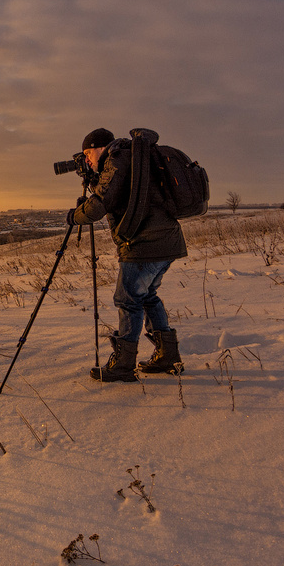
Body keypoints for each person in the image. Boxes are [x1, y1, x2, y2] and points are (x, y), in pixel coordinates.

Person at [68, 127, 187, 382]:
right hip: (166, 242)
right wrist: (92, 178)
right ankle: (167, 354)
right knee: (146, 297)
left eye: (88, 153)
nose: (87, 159)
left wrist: (75, 216)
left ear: (101, 148)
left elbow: (100, 204)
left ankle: (123, 364)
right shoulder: (129, 160)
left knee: (127, 299)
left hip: (144, 244)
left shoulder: (118, 159)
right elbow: (116, 193)